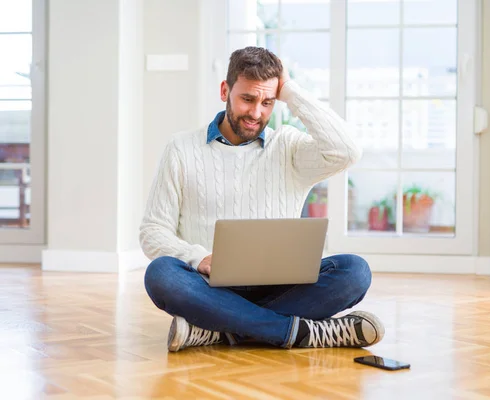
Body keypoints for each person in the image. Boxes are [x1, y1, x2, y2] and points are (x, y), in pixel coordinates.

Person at [140, 46, 385, 352]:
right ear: (225, 90)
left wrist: (291, 91)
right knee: (161, 274)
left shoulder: (289, 147)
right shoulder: (181, 148)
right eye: (247, 99)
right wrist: (199, 259)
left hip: (282, 288)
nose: (256, 113)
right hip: (209, 287)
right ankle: (300, 332)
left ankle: (219, 330)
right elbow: (152, 231)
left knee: (354, 271)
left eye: (267, 102)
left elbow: (347, 151)